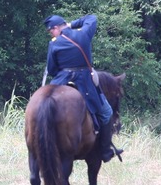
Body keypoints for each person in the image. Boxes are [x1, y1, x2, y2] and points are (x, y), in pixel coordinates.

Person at [43, 13, 121, 162]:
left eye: (51, 31)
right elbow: (92, 18)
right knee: (106, 113)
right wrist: (72, 24)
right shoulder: (84, 34)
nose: (50, 34)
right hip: (84, 81)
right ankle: (105, 151)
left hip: (61, 80)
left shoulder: (54, 43)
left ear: (56, 28)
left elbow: (52, 69)